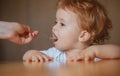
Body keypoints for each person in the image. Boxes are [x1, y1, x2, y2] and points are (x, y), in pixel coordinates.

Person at [23, 0, 120, 63]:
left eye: (62, 24)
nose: (54, 27)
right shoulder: (55, 54)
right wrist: (32, 54)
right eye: (55, 22)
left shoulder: (95, 55)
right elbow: (26, 56)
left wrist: (94, 51)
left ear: (83, 36)